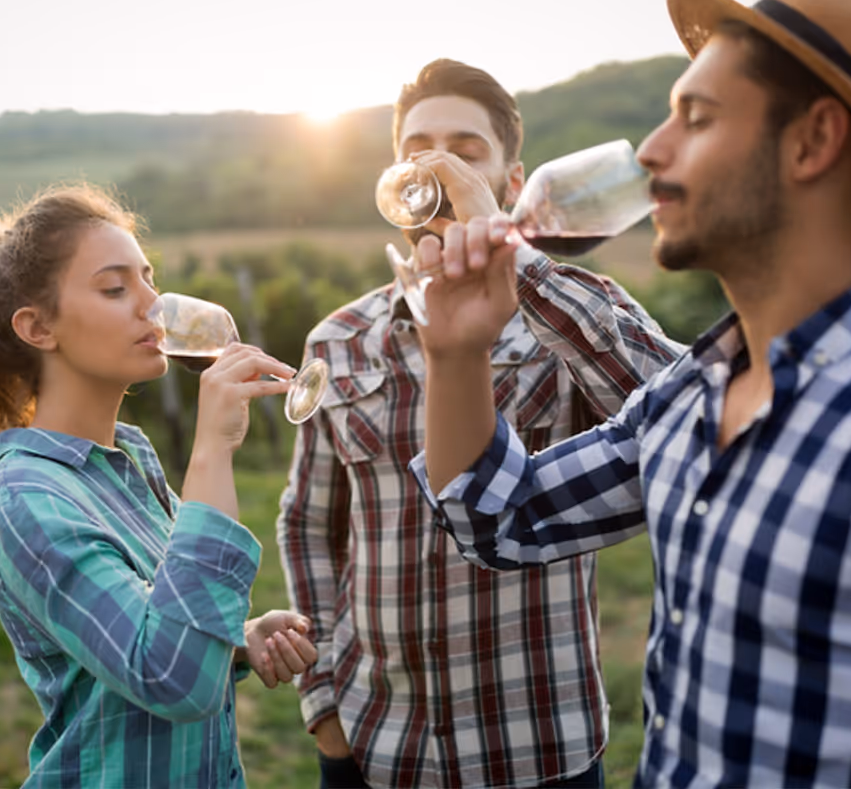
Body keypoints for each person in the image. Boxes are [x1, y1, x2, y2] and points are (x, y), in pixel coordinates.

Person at [413, 0, 851, 787]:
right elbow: (500, 519)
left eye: (695, 118)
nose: (652, 152)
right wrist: (456, 355)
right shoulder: (685, 395)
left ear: (812, 141)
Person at [276, 59, 683, 788]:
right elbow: (309, 524)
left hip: (538, 748)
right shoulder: (336, 341)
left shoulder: (568, 315)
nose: (436, 167)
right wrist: (326, 709)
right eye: (416, 150)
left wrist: (511, 254)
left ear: (512, 181)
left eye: (464, 152)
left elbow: (687, 413)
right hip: (376, 747)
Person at [0, 183, 318, 788]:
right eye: (115, 288)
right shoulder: (26, 503)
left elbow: (152, 623)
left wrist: (237, 639)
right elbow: (174, 679)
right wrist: (213, 447)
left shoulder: (129, 459)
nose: (153, 305)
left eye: (148, 279)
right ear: (38, 327)